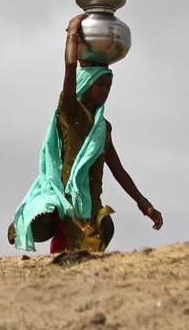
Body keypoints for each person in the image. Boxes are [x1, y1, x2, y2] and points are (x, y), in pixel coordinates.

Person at [10, 13, 163, 253]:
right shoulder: (71, 111)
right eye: (100, 84)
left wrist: (145, 205)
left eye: (108, 86)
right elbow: (71, 65)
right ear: (86, 83)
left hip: (91, 203)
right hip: (71, 204)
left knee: (101, 231)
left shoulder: (103, 128)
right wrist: (73, 32)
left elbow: (118, 170)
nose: (105, 90)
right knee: (82, 248)